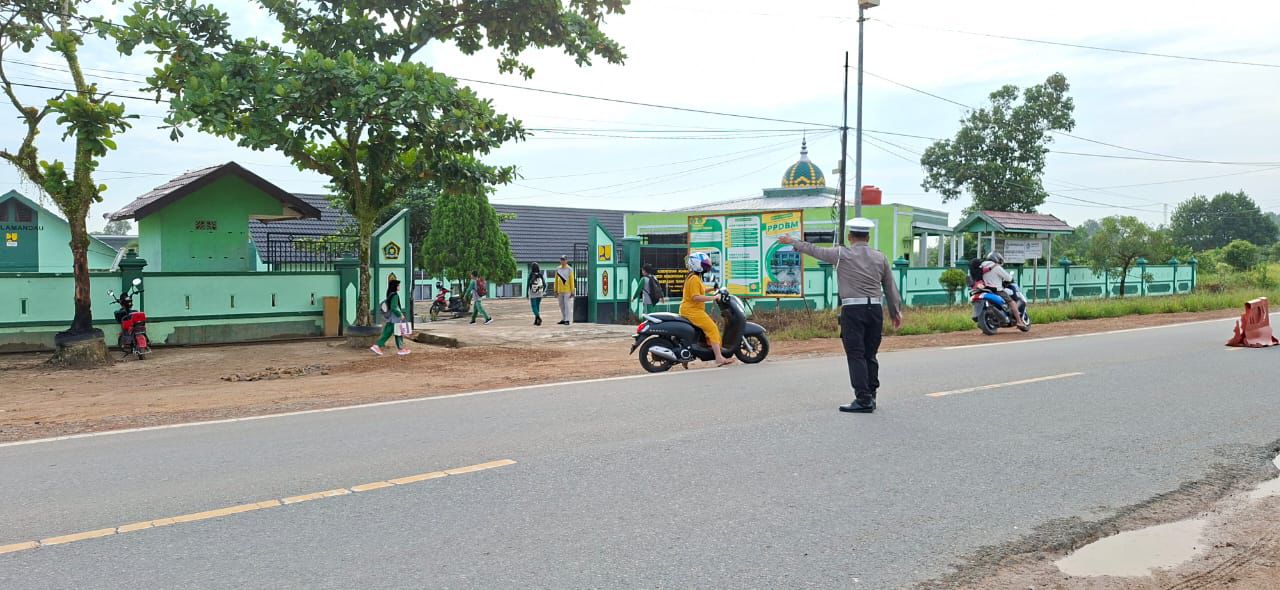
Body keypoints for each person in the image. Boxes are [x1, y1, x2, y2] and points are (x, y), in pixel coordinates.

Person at [779, 218, 902, 413]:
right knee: (870, 354)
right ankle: (871, 395)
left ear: (850, 237)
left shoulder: (841, 254)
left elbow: (814, 250)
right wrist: (895, 312)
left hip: (853, 311)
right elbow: (890, 286)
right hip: (875, 310)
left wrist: (791, 241)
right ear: (868, 238)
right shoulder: (880, 257)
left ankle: (863, 399)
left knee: (856, 354)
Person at [680, 252, 734, 367]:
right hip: (692, 311)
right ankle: (719, 358)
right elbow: (695, 297)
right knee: (712, 329)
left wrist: (712, 289)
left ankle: (686, 358)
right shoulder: (694, 278)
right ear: (697, 265)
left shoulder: (694, 277)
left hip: (691, 310)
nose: (707, 267)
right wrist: (713, 297)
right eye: (704, 265)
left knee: (702, 331)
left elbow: (701, 290)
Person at [980, 252, 1027, 328]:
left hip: (984, 289)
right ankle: (1019, 321)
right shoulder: (996, 266)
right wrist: (1010, 279)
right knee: (1012, 302)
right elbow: (1008, 278)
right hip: (997, 290)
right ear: (996, 258)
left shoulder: (982, 265)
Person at [371, 279, 410, 356]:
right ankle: (378, 346)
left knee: (388, 333)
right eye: (398, 285)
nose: (399, 287)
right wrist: (400, 315)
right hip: (395, 318)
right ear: (395, 286)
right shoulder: (395, 295)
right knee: (397, 333)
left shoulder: (390, 294)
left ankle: (378, 346)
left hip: (390, 318)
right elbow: (394, 307)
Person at [554, 256, 575, 325]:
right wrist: (555, 290)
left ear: (566, 261)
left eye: (564, 260)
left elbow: (572, 280)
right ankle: (563, 318)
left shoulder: (569, 269)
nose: (562, 261)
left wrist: (572, 290)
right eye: (561, 260)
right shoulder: (558, 269)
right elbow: (556, 280)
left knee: (567, 305)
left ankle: (567, 320)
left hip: (567, 290)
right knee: (561, 305)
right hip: (560, 290)